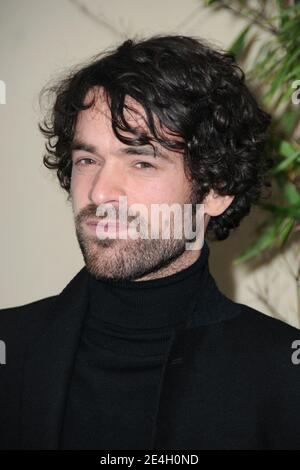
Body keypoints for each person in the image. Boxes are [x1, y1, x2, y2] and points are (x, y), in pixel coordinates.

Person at [0, 34, 300, 450]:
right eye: (87, 160)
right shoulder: (10, 347)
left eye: (141, 161)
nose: (100, 193)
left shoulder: (284, 376)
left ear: (216, 189)